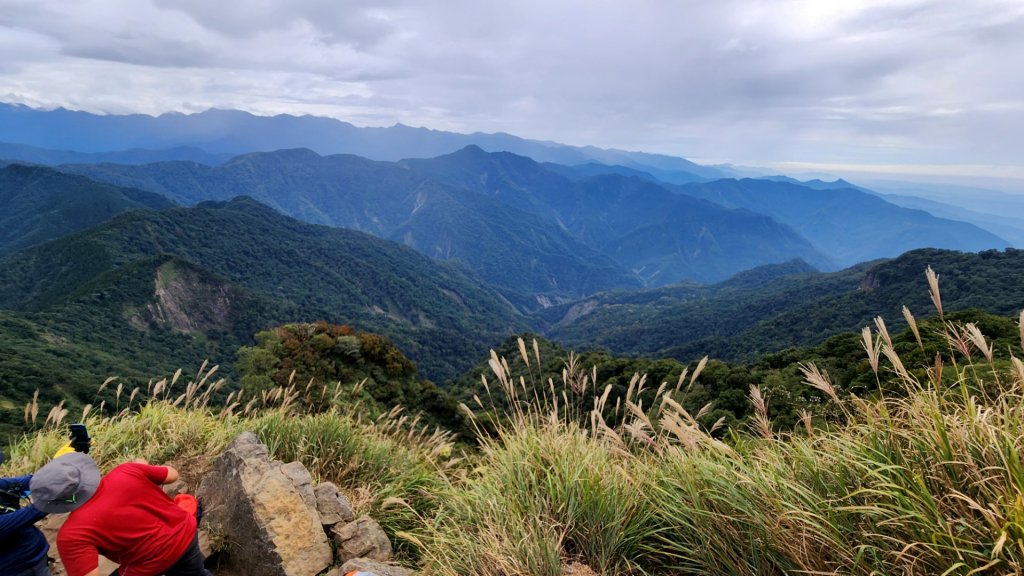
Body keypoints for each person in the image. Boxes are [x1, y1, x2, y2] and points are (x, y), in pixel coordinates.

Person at [30, 453, 210, 576]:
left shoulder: (72, 535)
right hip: (185, 535)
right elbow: (173, 475)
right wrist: (141, 468)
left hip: (148, 564)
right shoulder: (126, 471)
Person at [0, 448, 52, 576]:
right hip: (15, 569)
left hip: (37, 556)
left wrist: (71, 459)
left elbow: (29, 481)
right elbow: (34, 512)